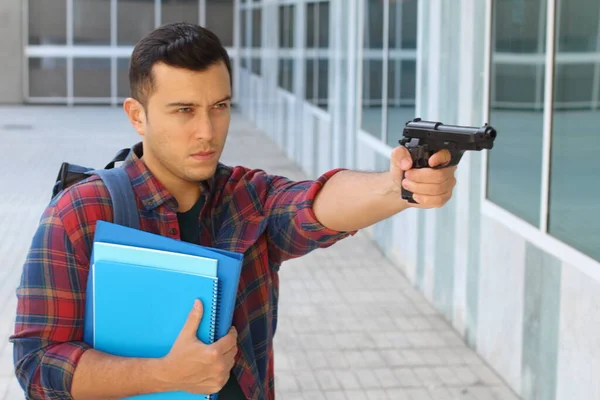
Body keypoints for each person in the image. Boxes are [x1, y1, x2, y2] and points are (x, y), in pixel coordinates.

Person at [10, 22, 457, 400]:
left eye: (219, 107)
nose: (207, 131)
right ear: (137, 115)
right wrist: (160, 374)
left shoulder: (246, 197)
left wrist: (395, 186)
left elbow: (313, 204)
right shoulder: (81, 212)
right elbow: (37, 364)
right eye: (184, 110)